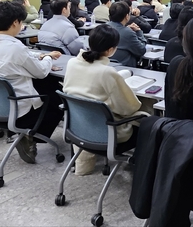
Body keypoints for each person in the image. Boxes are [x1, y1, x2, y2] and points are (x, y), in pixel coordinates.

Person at [0, 1, 64, 164]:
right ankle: (30, 136)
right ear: (15, 23)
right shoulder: (15, 47)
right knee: (57, 99)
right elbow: (39, 72)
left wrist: (35, 56)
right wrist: (46, 57)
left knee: (45, 86)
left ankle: (26, 135)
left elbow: (14, 58)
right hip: (19, 110)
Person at [62, 24, 145, 175]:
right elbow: (129, 108)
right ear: (110, 50)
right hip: (108, 134)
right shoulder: (107, 73)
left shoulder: (72, 63)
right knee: (147, 118)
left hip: (78, 128)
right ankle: (141, 169)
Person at [107, 2, 146, 67]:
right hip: (125, 68)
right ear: (127, 16)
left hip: (107, 66)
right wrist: (139, 32)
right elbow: (141, 50)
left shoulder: (102, 28)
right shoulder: (128, 33)